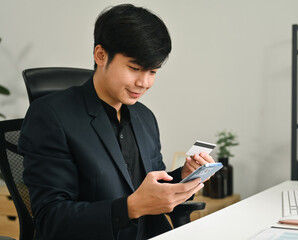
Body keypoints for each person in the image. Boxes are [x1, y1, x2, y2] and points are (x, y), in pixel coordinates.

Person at [18, 4, 214, 240]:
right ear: (100, 55)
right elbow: (50, 219)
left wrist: (184, 175)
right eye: (134, 68)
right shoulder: (50, 116)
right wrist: (131, 207)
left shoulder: (144, 117)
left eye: (153, 72)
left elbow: (150, 184)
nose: (144, 83)